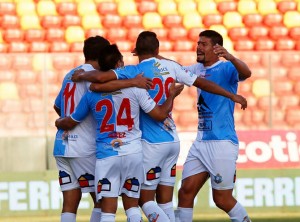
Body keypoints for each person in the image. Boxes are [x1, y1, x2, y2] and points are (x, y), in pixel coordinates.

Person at [71, 31, 247, 222]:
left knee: (143, 200)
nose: (198, 47)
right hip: (172, 141)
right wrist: (231, 95)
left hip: (150, 143)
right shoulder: (172, 66)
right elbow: (202, 83)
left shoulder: (133, 71)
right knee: (168, 199)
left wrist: (83, 74)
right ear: (157, 49)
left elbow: (99, 80)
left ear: (137, 50)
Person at [55, 44, 184, 222]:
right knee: (132, 206)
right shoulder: (137, 89)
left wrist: (59, 122)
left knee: (108, 210)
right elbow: (160, 115)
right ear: (118, 64)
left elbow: (71, 118)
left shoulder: (91, 93)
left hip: (106, 156)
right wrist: (170, 96)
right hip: (133, 153)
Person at [175, 30, 252, 222]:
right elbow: (174, 72)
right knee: (185, 192)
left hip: (222, 142)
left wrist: (231, 57)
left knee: (222, 200)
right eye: (198, 43)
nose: (198, 47)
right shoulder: (195, 69)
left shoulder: (226, 68)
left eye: (204, 44)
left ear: (216, 48)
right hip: (200, 142)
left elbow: (246, 72)